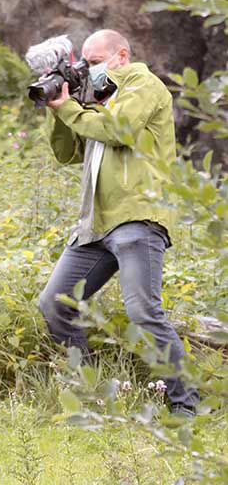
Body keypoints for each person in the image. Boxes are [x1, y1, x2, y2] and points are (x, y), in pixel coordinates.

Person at [39, 29, 200, 416]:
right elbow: (65, 153)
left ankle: (185, 404)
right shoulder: (99, 101)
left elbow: (118, 131)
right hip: (96, 225)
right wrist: (58, 107)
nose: (89, 70)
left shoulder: (143, 85)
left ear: (122, 56)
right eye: (86, 64)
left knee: (143, 312)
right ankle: (92, 395)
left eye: (95, 62)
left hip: (137, 217)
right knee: (55, 304)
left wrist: (73, 110)